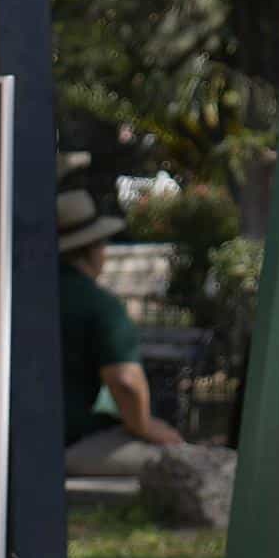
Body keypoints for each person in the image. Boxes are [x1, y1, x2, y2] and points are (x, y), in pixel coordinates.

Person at [54, 186, 187, 476]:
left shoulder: (18, 295)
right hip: (67, 443)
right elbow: (125, 380)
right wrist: (144, 425)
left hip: (7, 437)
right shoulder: (99, 305)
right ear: (92, 249)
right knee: (177, 461)